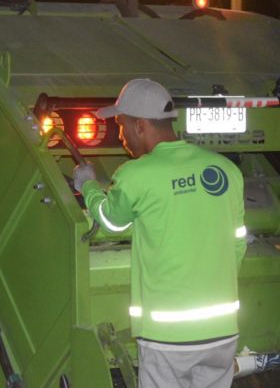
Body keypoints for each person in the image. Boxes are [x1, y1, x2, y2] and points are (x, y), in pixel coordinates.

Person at [72, 78, 247, 388]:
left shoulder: (136, 175)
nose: (121, 136)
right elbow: (238, 245)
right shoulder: (226, 171)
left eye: (122, 126)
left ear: (140, 125)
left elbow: (110, 220)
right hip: (222, 332)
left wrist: (88, 185)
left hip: (168, 338)